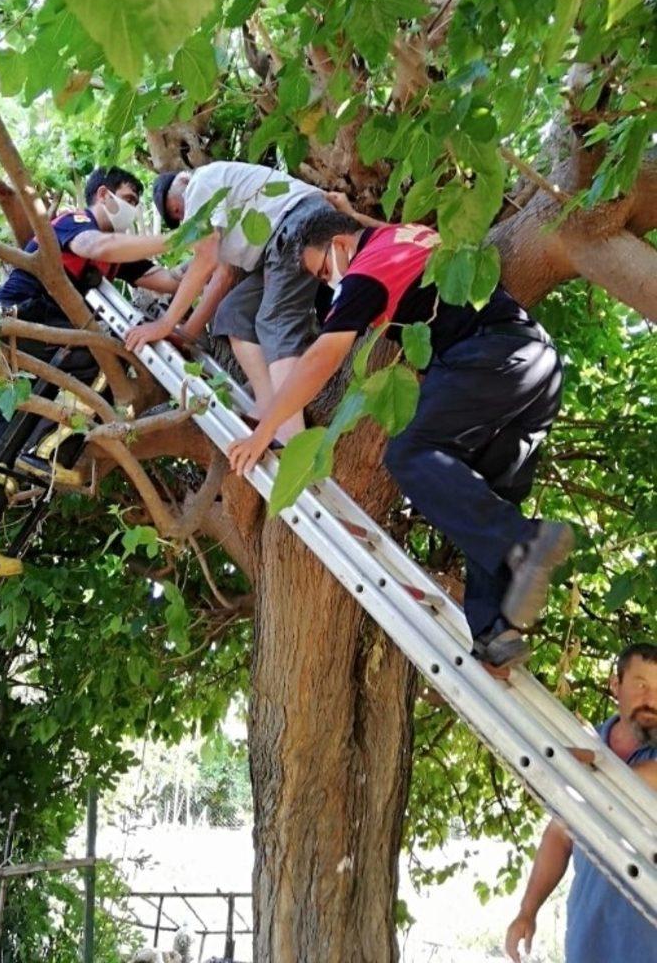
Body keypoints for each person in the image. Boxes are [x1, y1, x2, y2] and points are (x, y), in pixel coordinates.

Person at [227, 206, 573, 668]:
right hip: (539, 368)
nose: (328, 282)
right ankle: (495, 632)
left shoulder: (365, 273)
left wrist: (265, 428)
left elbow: (323, 355)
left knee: (411, 454)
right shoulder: (405, 235)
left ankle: (524, 542)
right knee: (477, 494)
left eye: (322, 270)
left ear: (341, 245)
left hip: (492, 358)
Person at [0, 166, 184, 580]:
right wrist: (179, 237)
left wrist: (211, 253)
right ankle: (47, 453)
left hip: (46, 341)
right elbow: (95, 245)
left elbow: (168, 279)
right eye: (129, 198)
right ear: (103, 194)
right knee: (109, 350)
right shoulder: (77, 221)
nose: (132, 208)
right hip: (23, 319)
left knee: (7, 432)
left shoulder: (116, 256)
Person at [126, 161, 334, 441]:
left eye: (178, 209)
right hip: (277, 247)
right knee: (234, 313)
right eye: (179, 218)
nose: (185, 217)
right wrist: (185, 334)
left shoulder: (199, 183)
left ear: (183, 182)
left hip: (298, 222)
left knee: (275, 321)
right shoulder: (221, 218)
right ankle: (267, 407)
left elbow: (206, 263)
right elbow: (221, 275)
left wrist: (165, 325)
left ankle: (290, 436)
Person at [505, 642, 657, 963]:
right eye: (642, 685)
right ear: (615, 685)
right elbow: (560, 835)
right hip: (589, 942)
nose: (652, 700)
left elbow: (647, 778)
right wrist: (527, 911)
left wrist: (582, 774)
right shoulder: (586, 745)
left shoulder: (586, 760)